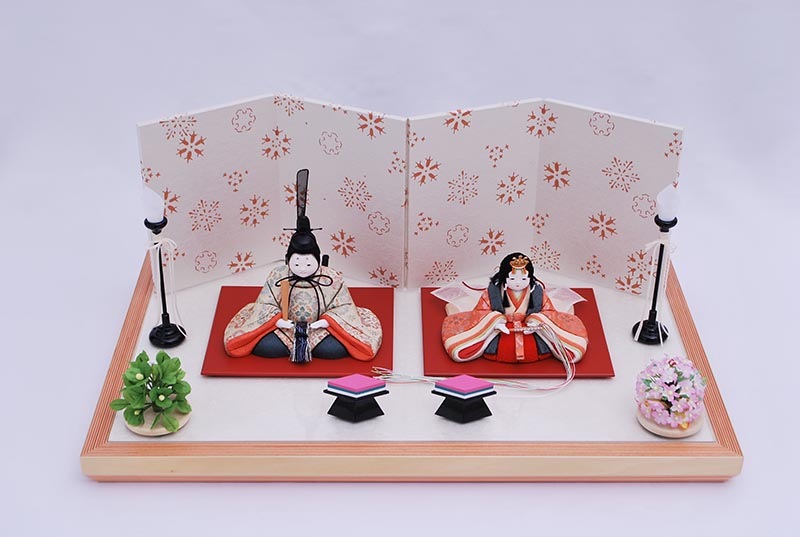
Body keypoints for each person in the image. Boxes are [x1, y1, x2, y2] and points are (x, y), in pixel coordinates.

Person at [223, 170, 382, 362]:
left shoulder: (331, 277)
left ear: (318, 259)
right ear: (287, 260)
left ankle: (314, 341)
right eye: (297, 263)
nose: (303, 268)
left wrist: (326, 322)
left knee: (331, 350)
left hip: (320, 329)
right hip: (284, 328)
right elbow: (265, 303)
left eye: (308, 263)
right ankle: (289, 342)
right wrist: (277, 321)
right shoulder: (278, 275)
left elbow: (344, 306)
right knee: (268, 347)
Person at [441, 252, 588, 363]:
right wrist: (494, 322)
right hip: (500, 330)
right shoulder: (492, 292)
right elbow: (481, 311)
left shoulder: (537, 292)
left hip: (531, 330)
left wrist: (537, 322)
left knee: (565, 348)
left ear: (530, 278)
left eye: (524, 278)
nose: (518, 282)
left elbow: (548, 311)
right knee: (461, 348)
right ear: (504, 277)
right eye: (512, 278)